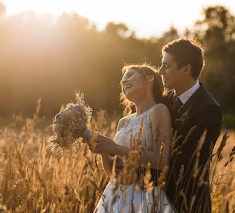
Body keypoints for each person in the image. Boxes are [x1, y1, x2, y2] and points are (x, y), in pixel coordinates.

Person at [83, 65, 175, 213]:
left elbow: (161, 160)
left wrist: (115, 148)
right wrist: (102, 149)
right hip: (116, 196)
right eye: (122, 80)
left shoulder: (159, 110)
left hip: (145, 196)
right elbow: (114, 174)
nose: (123, 82)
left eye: (129, 76)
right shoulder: (124, 122)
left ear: (149, 78)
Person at [159, 38, 223, 212]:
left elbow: (189, 161)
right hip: (157, 198)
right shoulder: (163, 101)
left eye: (167, 66)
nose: (160, 71)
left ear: (187, 69)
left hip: (189, 203)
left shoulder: (209, 109)